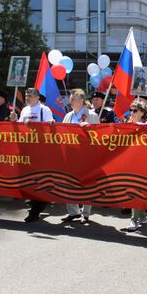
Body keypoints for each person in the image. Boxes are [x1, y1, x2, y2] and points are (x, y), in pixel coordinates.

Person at [10, 88, 55, 222]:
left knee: (39, 179)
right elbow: (20, 128)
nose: (27, 97)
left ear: (37, 97)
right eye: (26, 95)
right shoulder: (24, 110)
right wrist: (15, 120)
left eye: (29, 95)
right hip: (26, 149)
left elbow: (49, 126)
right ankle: (36, 201)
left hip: (40, 150)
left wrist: (50, 123)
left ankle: (36, 210)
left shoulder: (44, 109)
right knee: (28, 178)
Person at [61, 89, 100, 224]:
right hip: (70, 154)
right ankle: (73, 211)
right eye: (70, 99)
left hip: (86, 155)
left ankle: (86, 213)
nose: (70, 101)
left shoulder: (92, 116)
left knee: (86, 183)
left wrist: (89, 127)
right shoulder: (68, 116)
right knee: (68, 183)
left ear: (81, 100)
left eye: (73, 99)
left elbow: (99, 135)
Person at [125, 100, 147, 231]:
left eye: (135, 110)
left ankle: (134, 220)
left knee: (135, 189)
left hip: (142, 162)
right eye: (131, 110)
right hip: (129, 161)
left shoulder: (146, 126)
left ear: (142, 112)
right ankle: (142, 215)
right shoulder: (126, 125)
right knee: (135, 190)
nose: (132, 113)